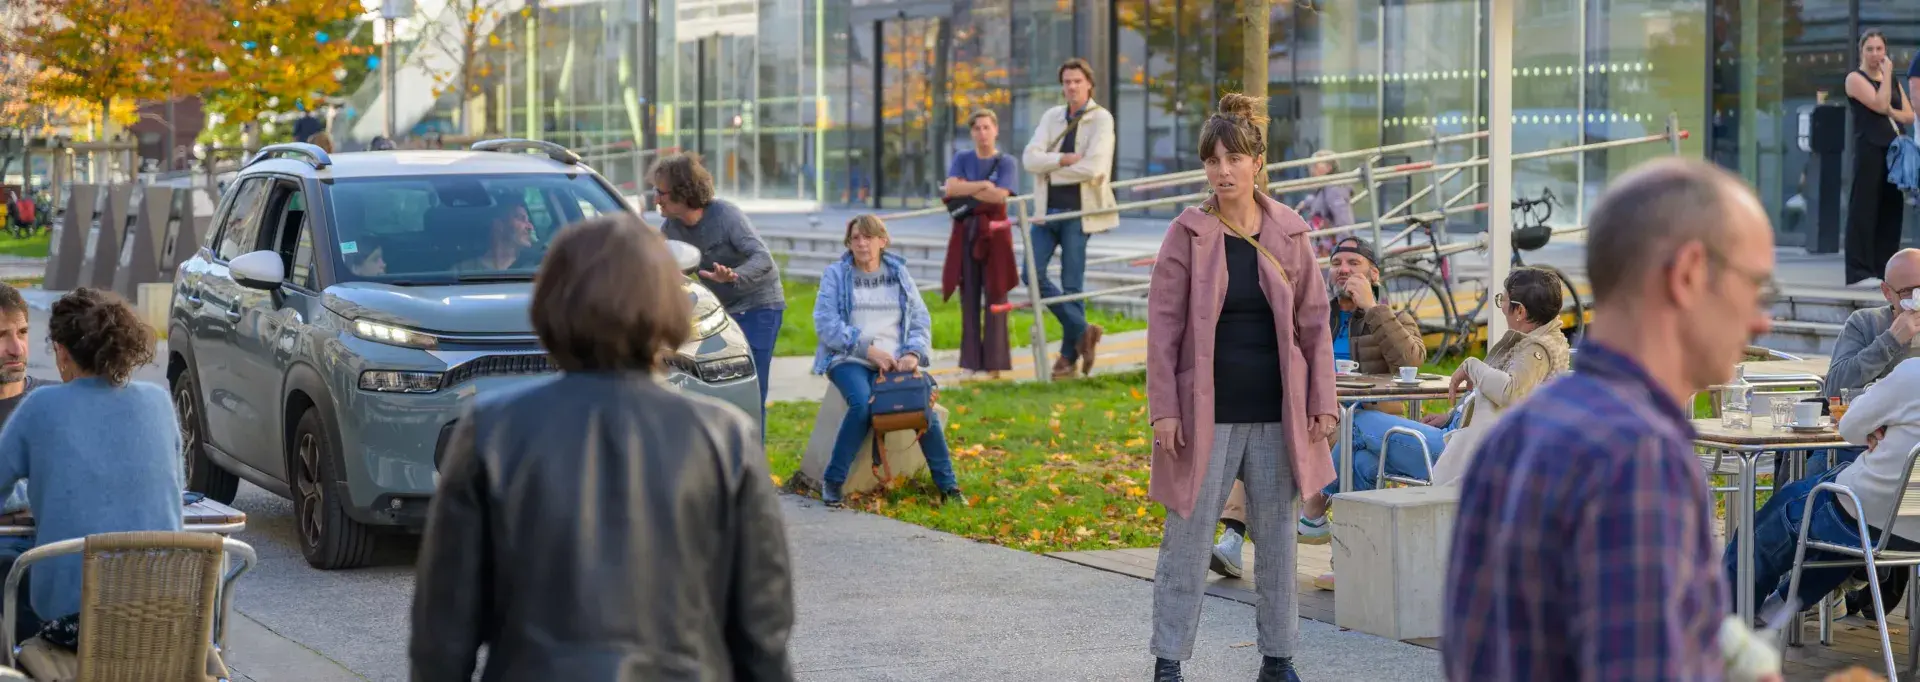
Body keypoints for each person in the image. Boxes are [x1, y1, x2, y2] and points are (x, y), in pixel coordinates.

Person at [410, 214, 794, 681]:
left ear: (552, 303)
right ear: (670, 307)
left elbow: (443, 634)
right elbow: (763, 633)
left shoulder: (491, 431)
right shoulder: (725, 438)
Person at [1443, 158, 1779, 680]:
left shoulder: (1516, 433)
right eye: (1756, 284)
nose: (1763, 318)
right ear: (1689, 273)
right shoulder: (1641, 455)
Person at [1145, 94, 1336, 682]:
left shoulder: (1290, 232)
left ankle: (1278, 660)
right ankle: (1169, 661)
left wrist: (1322, 402)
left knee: (1279, 543)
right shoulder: (1187, 233)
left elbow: (1314, 324)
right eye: (1213, 160)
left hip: (1278, 413)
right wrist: (1164, 411)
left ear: (1258, 161)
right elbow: (1163, 328)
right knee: (1186, 539)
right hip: (1206, 412)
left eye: (1234, 158)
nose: (1223, 171)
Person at [0, 288, 182, 645]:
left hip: (76, 623)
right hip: (165, 618)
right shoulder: (159, 402)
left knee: (11, 573)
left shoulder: (41, 406)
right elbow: (174, 490)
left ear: (63, 352)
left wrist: (35, 493)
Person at [1725, 356, 1920, 629]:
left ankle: (1724, 617)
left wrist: (1878, 429)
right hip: (1910, 531)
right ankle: (1774, 610)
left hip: (1867, 511)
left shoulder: (1912, 374)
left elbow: (1850, 426)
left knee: (1776, 519)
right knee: (1842, 542)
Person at [809, 215, 964, 508]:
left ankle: (949, 487)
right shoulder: (836, 274)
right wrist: (868, 350)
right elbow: (826, 324)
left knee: (923, 411)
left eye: (868, 237)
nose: (861, 243)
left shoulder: (899, 274)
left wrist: (912, 353)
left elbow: (919, 318)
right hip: (849, 357)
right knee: (862, 404)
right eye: (855, 237)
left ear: (883, 241)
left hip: (895, 362)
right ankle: (833, 480)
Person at [1815, 248, 1920, 619]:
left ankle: (1842, 576)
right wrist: (1890, 342)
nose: (1917, 298)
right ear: (1887, 293)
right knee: (1820, 472)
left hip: (1907, 470)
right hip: (1860, 446)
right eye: (1909, 291)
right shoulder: (1866, 324)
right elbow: (1836, 388)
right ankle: (1823, 577)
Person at [652, 153, 785, 431]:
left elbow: (763, 259)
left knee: (751, 390)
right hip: (722, 313)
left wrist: (735, 276)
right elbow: (663, 268)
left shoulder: (726, 216)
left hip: (759, 305)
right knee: (721, 390)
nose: (657, 200)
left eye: (661, 192)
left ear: (682, 192)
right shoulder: (670, 229)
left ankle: (753, 467)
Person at [1022, 57, 1117, 379]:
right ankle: (1083, 330)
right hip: (1047, 212)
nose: (1072, 87)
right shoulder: (1052, 116)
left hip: (1079, 213)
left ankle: (1066, 360)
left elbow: (1094, 168)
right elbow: (1028, 158)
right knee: (1031, 274)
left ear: (1089, 83)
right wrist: (1062, 159)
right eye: (1066, 82)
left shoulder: (1101, 119)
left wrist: (1050, 171)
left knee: (1072, 285)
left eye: (1077, 81)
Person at [941, 109, 1020, 377]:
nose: (982, 133)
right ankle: (970, 362)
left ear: (996, 130)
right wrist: (983, 185)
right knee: (969, 295)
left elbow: (1000, 196)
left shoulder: (1007, 161)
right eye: (977, 128)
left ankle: (995, 363)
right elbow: (951, 189)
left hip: (995, 235)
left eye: (987, 127)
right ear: (971, 132)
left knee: (997, 294)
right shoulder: (962, 157)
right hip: (966, 233)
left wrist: (970, 187)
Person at [1844, 30, 1912, 287]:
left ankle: (1885, 269)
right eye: (1870, 49)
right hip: (1869, 150)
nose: (1875, 54)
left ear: (1886, 51)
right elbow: (1880, 105)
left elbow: (1908, 115)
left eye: (1879, 49)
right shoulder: (1855, 78)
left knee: (1890, 210)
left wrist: (1888, 81)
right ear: (1861, 52)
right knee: (1865, 208)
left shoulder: (1891, 80)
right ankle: (1858, 271)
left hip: (1893, 150)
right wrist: (1886, 80)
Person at [1293, 150, 1353, 257]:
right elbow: (1316, 200)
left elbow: (1343, 220)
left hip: (1329, 250)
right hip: (1321, 246)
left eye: (1315, 166)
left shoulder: (1334, 189)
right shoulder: (1324, 188)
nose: (1311, 170)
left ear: (1329, 168)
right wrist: (1303, 205)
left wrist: (1343, 251)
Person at [452, 202, 533, 271]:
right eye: (521, 219)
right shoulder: (462, 270)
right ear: (498, 225)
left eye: (528, 221)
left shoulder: (536, 268)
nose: (530, 227)